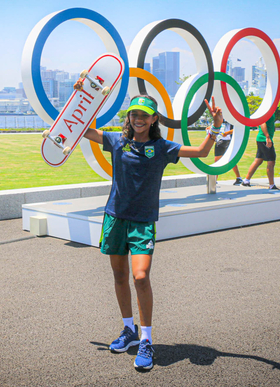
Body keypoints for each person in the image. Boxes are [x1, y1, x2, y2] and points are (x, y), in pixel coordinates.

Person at [83, 95, 223, 371]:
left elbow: (202, 152)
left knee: (141, 276)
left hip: (143, 222)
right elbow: (81, 128)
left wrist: (215, 127)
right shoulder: (116, 141)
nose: (138, 119)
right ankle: (128, 331)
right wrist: (82, 97)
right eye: (134, 114)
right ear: (129, 117)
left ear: (154, 119)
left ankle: (146, 339)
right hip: (115, 218)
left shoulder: (162, 147)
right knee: (120, 276)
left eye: (145, 115)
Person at [241, 114, 278, 189]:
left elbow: (259, 122)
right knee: (271, 161)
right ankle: (272, 185)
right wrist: (267, 137)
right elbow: (262, 122)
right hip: (264, 139)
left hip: (261, 139)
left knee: (258, 160)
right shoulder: (267, 110)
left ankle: (246, 181)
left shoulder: (271, 110)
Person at [211, 120, 243, 185]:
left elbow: (236, 130)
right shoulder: (219, 118)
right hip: (219, 141)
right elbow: (214, 126)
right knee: (217, 160)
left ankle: (239, 178)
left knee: (231, 160)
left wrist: (226, 133)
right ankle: (214, 180)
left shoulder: (231, 119)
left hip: (228, 141)